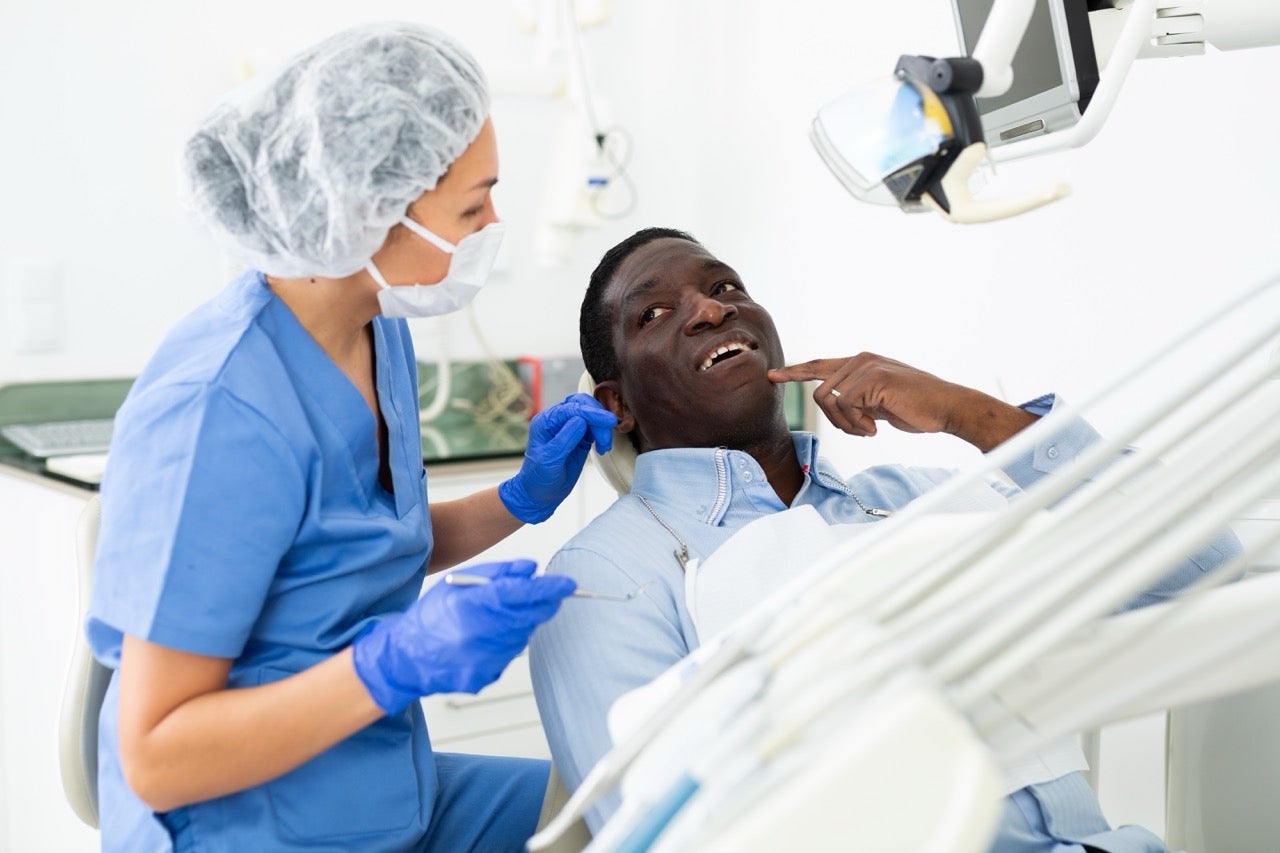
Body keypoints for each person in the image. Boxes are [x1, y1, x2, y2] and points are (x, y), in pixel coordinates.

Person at [527, 227, 1242, 852]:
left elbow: (1210, 575)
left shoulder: (921, 502)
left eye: (725, 286)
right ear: (615, 403)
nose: (713, 309)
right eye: (656, 312)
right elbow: (667, 837)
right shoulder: (605, 578)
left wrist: (972, 416)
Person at [86, 22, 617, 852]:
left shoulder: (373, 322)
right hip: (248, 823)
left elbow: (355, 546)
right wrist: (392, 664)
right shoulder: (217, 410)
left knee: (622, 806)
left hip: (375, 782)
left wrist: (519, 498)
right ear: (371, 211)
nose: (492, 223)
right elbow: (156, 754)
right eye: (473, 204)